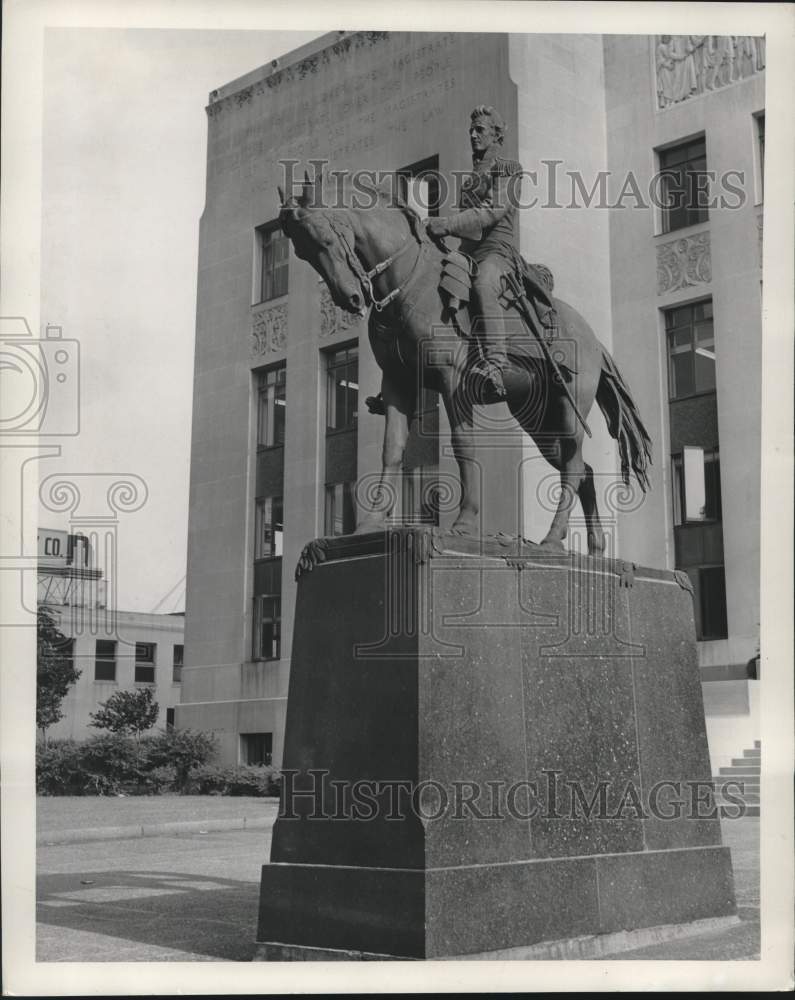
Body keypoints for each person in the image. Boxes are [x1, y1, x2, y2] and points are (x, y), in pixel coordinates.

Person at [425, 105, 523, 400]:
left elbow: (490, 213)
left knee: (483, 284)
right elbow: (467, 230)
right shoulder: (468, 181)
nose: (473, 135)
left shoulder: (509, 169)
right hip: (469, 252)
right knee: (430, 280)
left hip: (498, 252)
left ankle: (496, 364)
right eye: (471, 130)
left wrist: (445, 224)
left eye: (480, 129)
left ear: (496, 135)